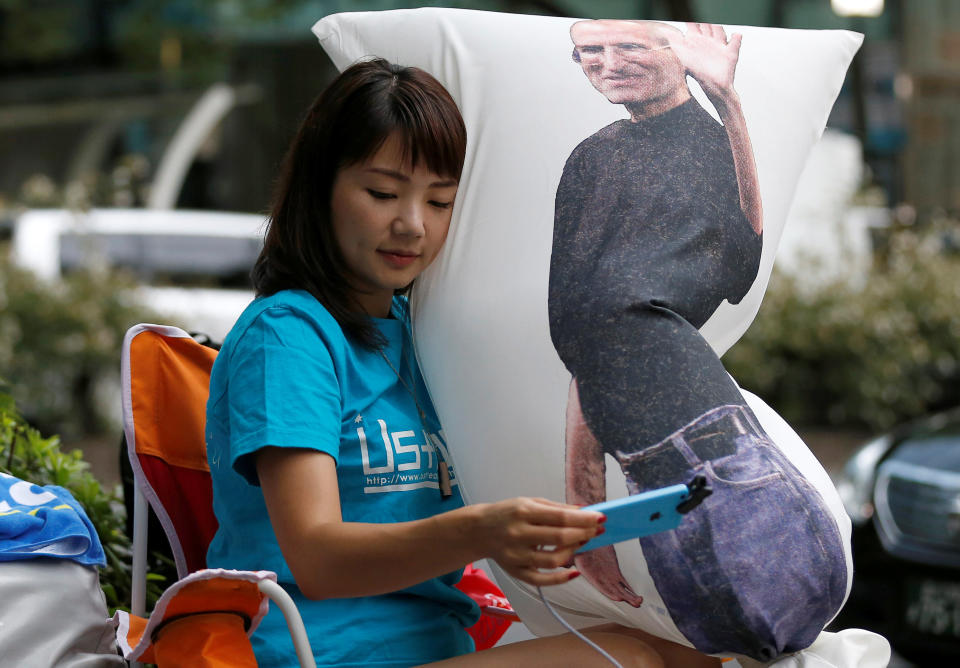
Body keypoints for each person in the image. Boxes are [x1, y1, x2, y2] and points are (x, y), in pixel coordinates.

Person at [205, 57, 712, 668]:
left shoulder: (428, 333)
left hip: (439, 646)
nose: (411, 225)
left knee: (697, 650)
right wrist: (482, 530)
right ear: (319, 189)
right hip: (320, 654)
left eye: (440, 201)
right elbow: (317, 560)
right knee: (631, 662)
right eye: (382, 193)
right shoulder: (287, 337)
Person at [548, 21, 848, 662]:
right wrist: (586, 500)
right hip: (652, 470)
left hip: (713, 444)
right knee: (719, 642)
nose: (607, 63)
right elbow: (584, 330)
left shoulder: (710, 141)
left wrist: (729, 102)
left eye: (628, 45)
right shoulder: (593, 157)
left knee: (771, 627)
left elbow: (740, 270)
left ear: (676, 55)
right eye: (588, 52)